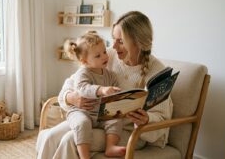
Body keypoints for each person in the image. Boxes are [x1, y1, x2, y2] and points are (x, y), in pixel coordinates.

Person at [36, 11, 173, 159]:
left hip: (124, 130)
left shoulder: (158, 71)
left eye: (120, 41)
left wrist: (147, 119)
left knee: (70, 140)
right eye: (113, 39)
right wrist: (71, 98)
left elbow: (162, 119)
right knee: (49, 137)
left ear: (138, 42)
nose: (113, 46)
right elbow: (71, 83)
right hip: (91, 118)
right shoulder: (106, 56)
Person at [61, 31, 126, 159]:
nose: (104, 56)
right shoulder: (83, 73)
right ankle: (85, 156)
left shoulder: (110, 75)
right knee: (82, 124)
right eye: (97, 56)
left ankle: (110, 147)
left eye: (104, 52)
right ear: (84, 61)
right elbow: (82, 89)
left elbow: (116, 90)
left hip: (100, 114)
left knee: (116, 119)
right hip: (81, 111)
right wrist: (101, 90)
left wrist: (117, 95)